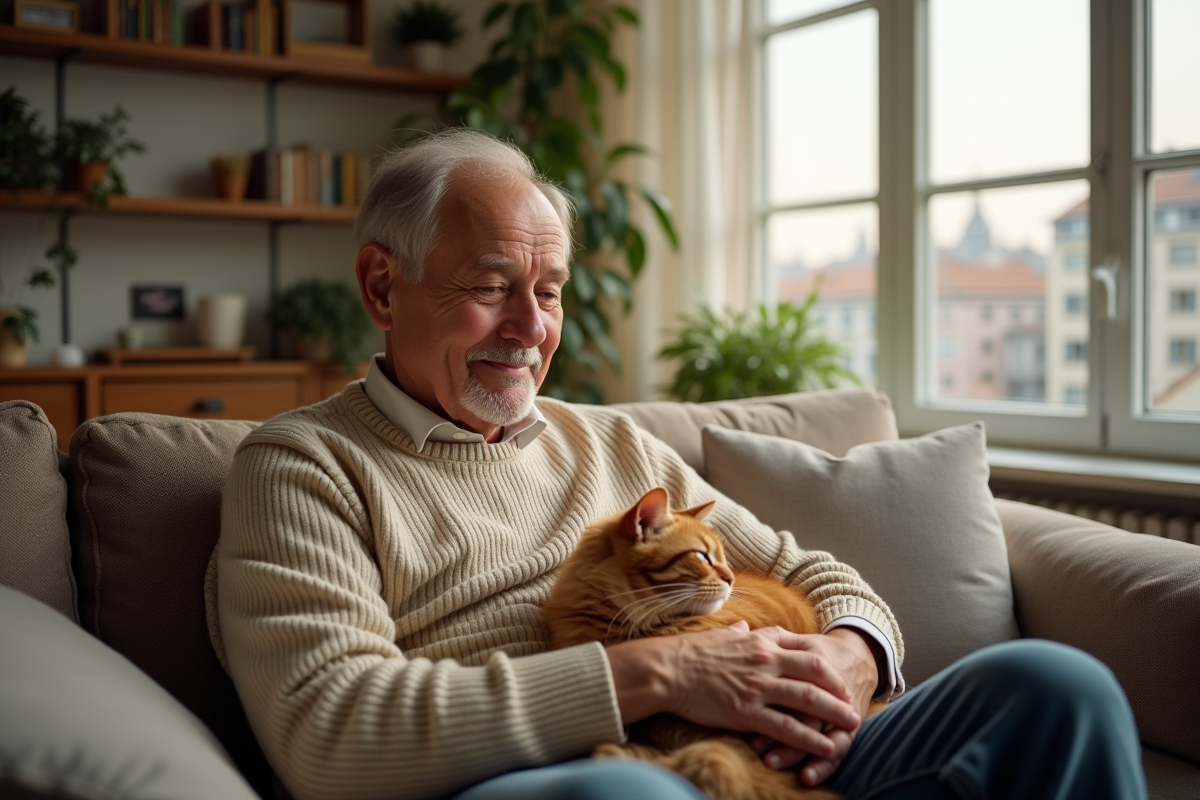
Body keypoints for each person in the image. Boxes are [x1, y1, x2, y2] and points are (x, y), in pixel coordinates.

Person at [207, 129, 1146, 800]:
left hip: (749, 749)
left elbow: (811, 572)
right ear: (383, 284)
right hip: (563, 774)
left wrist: (851, 655)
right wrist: (659, 675)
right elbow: (329, 734)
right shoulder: (302, 466)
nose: (532, 332)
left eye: (548, 291)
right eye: (492, 289)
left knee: (1058, 689)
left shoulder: (608, 444)